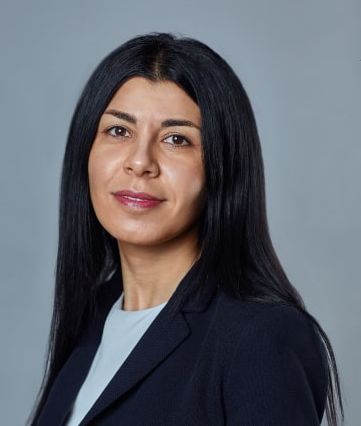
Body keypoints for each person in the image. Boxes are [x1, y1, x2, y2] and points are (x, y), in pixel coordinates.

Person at [28, 33, 343, 425]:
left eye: (176, 139)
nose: (140, 162)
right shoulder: (94, 315)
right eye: (119, 131)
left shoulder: (261, 336)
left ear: (221, 168)